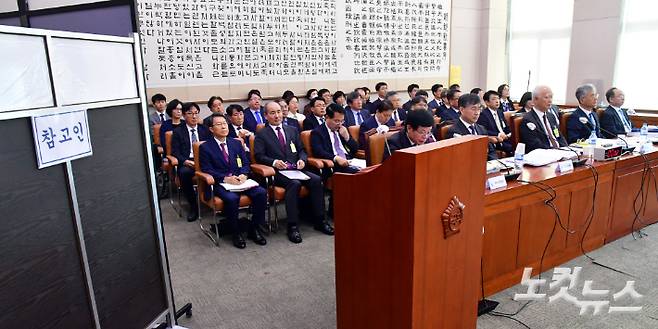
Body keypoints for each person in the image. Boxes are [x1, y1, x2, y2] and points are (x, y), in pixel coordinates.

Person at [254, 102, 334, 243]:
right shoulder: (261, 134)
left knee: (316, 180)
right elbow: (259, 156)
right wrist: (274, 162)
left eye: (279, 111)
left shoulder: (292, 130)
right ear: (265, 116)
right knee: (294, 184)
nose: (277, 115)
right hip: (278, 172)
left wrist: (302, 160)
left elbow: (301, 150)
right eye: (272, 113)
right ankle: (293, 226)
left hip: (296, 169)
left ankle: (320, 220)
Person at [199, 114, 267, 249]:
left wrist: (244, 174)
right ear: (211, 129)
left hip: (240, 181)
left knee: (261, 192)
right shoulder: (205, 147)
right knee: (231, 198)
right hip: (220, 183)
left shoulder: (235, 143)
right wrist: (225, 178)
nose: (224, 126)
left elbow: (246, 163)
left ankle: (254, 228)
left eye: (224, 123)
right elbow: (206, 169)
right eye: (219, 124)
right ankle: (236, 233)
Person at [310, 104, 360, 218]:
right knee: (353, 173)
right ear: (327, 117)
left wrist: (347, 137)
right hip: (333, 164)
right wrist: (336, 158)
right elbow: (318, 151)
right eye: (336, 121)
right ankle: (339, 210)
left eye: (342, 121)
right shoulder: (318, 132)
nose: (339, 124)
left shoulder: (342, 129)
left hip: (349, 160)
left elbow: (355, 149)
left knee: (369, 170)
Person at [171, 102, 211, 221]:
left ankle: (209, 198)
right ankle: (193, 206)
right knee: (184, 173)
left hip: (204, 160)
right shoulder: (178, 131)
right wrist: (185, 161)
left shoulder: (205, 129)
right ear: (183, 115)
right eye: (190, 113)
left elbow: (211, 147)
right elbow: (175, 152)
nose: (194, 116)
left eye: (196, 113)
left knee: (217, 169)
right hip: (188, 161)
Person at [446, 94, 497, 160]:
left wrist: (493, 164)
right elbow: (460, 157)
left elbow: (491, 151)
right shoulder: (454, 131)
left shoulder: (481, 129)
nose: (477, 113)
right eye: (473, 109)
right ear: (461, 109)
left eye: (479, 109)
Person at [519, 85, 567, 153]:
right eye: (546, 97)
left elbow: (558, 136)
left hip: (558, 153)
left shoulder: (551, 116)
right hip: (543, 155)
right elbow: (534, 144)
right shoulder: (528, 120)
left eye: (551, 97)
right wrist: (554, 152)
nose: (550, 100)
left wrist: (566, 149)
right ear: (535, 99)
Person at [477, 90, 513, 156]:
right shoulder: (483, 114)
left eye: (498, 98)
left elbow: (505, 126)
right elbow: (483, 131)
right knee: (512, 148)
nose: (497, 101)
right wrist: (499, 134)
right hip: (496, 140)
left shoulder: (500, 112)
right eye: (494, 99)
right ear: (487, 102)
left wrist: (510, 133)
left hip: (506, 138)